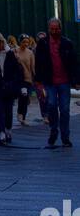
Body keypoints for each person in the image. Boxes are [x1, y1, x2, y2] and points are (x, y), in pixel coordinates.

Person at [34, 17, 79, 148]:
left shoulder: (67, 43)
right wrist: (38, 81)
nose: (54, 31)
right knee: (52, 105)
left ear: (60, 28)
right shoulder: (43, 44)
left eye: (56, 29)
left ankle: (65, 137)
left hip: (64, 81)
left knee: (65, 110)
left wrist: (76, 80)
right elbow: (38, 63)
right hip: (50, 81)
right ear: (49, 29)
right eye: (52, 29)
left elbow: (74, 62)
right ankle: (54, 130)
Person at [15, 35, 36, 125]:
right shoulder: (15, 51)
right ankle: (20, 114)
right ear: (20, 42)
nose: (26, 44)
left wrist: (35, 78)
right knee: (22, 96)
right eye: (24, 42)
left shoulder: (30, 53)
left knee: (25, 97)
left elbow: (33, 67)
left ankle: (22, 116)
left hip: (27, 78)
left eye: (27, 42)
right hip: (18, 78)